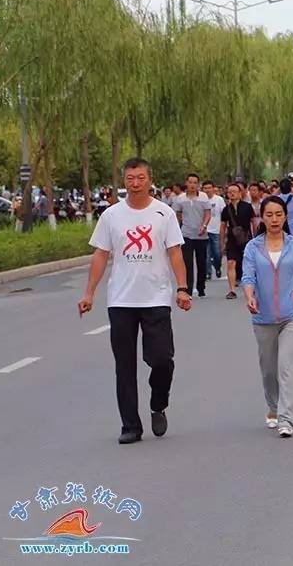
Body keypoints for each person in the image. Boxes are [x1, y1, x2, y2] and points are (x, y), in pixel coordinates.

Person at [78, 158, 192, 445]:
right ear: (124, 180)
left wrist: (182, 288)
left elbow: (175, 253)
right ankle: (130, 425)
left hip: (155, 298)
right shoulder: (112, 215)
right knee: (124, 366)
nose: (135, 183)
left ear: (148, 179)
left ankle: (158, 403)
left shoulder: (163, 213)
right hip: (121, 300)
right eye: (130, 178)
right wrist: (89, 293)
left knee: (162, 360)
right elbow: (101, 255)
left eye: (140, 178)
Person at [242, 196, 293, 438]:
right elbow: (248, 277)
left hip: (292, 315)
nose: (274, 219)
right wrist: (249, 297)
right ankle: (273, 408)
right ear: (262, 218)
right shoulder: (252, 247)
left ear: (286, 217)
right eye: (269, 214)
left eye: (279, 214)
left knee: (286, 367)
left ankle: (287, 419)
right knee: (268, 370)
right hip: (262, 316)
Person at [173, 173, 211, 297]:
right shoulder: (180, 198)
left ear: (198, 184)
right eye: (190, 182)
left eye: (195, 183)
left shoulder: (204, 197)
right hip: (186, 234)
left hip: (201, 235)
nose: (193, 185)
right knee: (187, 263)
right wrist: (178, 229)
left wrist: (204, 225)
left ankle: (201, 287)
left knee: (202, 262)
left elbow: (207, 214)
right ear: (186, 183)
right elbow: (177, 214)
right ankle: (188, 289)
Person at [221, 182, 255, 300]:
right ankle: (232, 290)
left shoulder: (247, 206)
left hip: (247, 239)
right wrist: (222, 242)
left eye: (234, 192)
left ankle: (253, 287)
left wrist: (256, 237)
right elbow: (223, 226)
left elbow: (254, 222)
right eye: (229, 192)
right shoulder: (226, 209)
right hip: (232, 239)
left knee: (249, 264)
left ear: (240, 194)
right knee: (231, 262)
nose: (232, 194)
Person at [202, 181, 226, 281]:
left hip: (216, 230)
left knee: (217, 253)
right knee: (206, 254)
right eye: (205, 188)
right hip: (205, 230)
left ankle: (217, 267)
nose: (207, 190)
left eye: (209, 188)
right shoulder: (201, 200)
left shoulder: (219, 200)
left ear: (213, 188)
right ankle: (208, 273)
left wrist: (224, 229)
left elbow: (224, 215)